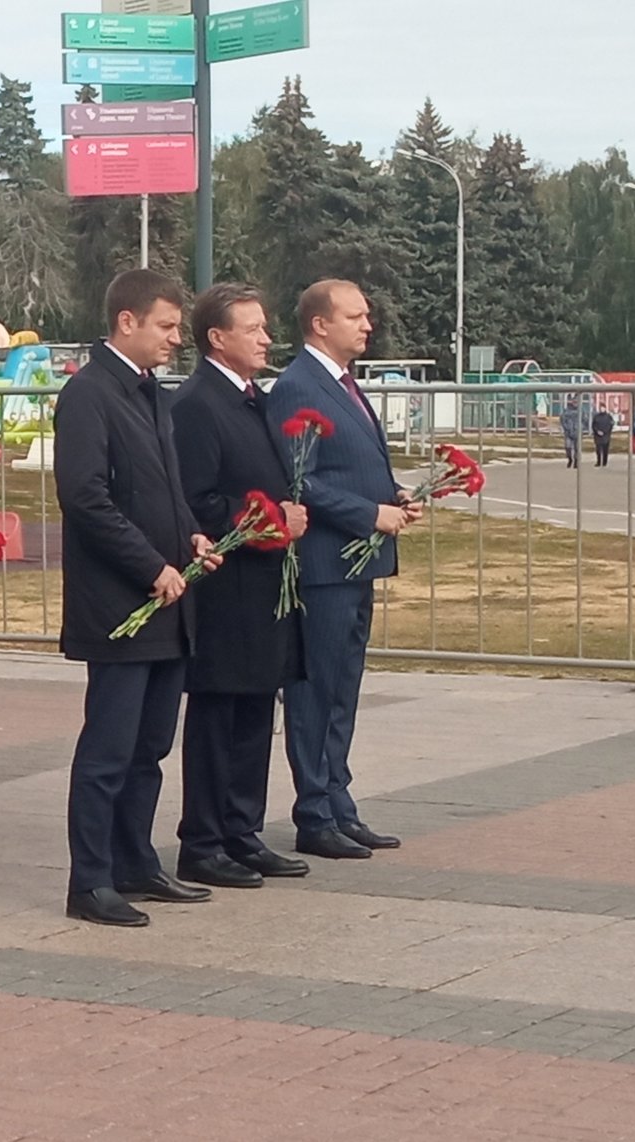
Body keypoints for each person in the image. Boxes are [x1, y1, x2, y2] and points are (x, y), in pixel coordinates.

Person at [55, 269, 219, 928]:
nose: (176, 339)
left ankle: (135, 862)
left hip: (170, 600)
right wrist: (151, 565)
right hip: (120, 605)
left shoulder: (151, 393)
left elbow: (164, 489)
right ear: (128, 321)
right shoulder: (89, 394)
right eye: (167, 326)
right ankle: (89, 880)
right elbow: (86, 496)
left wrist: (193, 536)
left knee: (151, 746)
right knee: (109, 749)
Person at [265, 279, 417, 861]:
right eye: (355, 316)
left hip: (356, 563)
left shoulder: (345, 386)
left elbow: (348, 465)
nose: (367, 324)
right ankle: (313, 812)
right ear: (320, 324)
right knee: (315, 689)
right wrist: (367, 513)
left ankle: (338, 802)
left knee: (343, 690)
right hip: (324, 564)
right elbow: (298, 479)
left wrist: (396, 495)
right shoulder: (298, 387)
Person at [170, 285, 312, 889]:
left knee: (257, 708)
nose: (265, 337)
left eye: (264, 326)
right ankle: (202, 840)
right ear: (217, 338)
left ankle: (241, 830)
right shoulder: (199, 403)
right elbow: (196, 500)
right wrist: (268, 521)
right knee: (219, 715)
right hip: (226, 586)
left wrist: (287, 513)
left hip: (265, 584)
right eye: (251, 329)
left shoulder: (253, 398)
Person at [562, 398, 583, 469]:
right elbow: (563, 420)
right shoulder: (566, 411)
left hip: (577, 432)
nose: (575, 403)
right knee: (568, 447)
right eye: (574, 402)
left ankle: (576, 461)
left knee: (577, 448)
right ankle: (570, 459)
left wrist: (581, 428)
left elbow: (584, 420)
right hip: (568, 432)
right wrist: (566, 428)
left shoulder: (580, 411)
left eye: (576, 402)